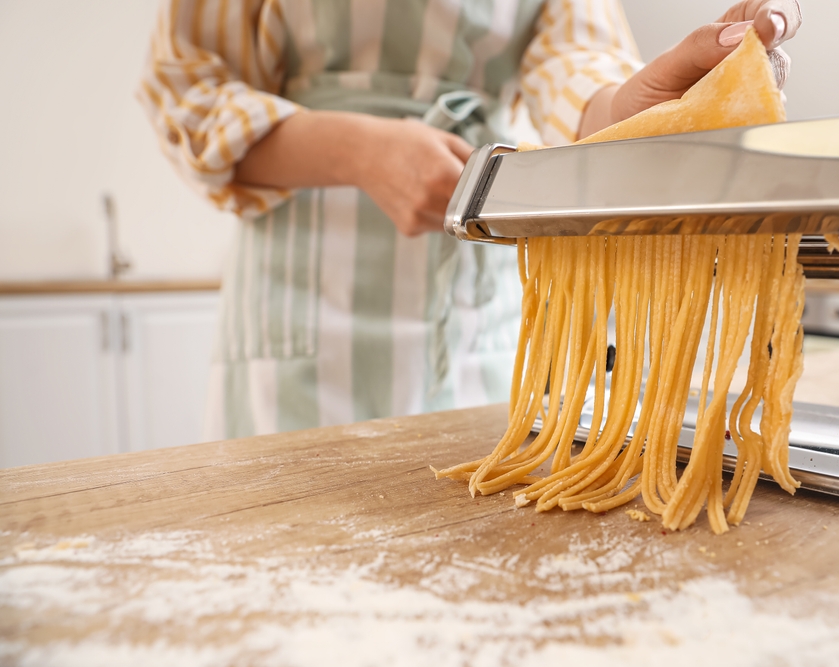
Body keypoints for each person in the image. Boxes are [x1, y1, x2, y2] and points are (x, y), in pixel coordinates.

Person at [138, 0, 801, 439]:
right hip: (298, 306)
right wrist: (360, 150)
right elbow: (188, 86)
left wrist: (649, 105)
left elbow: (580, 82)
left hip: (478, 298)